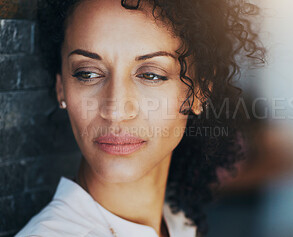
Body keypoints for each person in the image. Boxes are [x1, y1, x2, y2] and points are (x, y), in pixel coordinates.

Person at [16, 0, 265, 236]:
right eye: (88, 74)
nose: (116, 111)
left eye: (151, 75)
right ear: (61, 88)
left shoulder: (179, 224)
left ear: (197, 93)